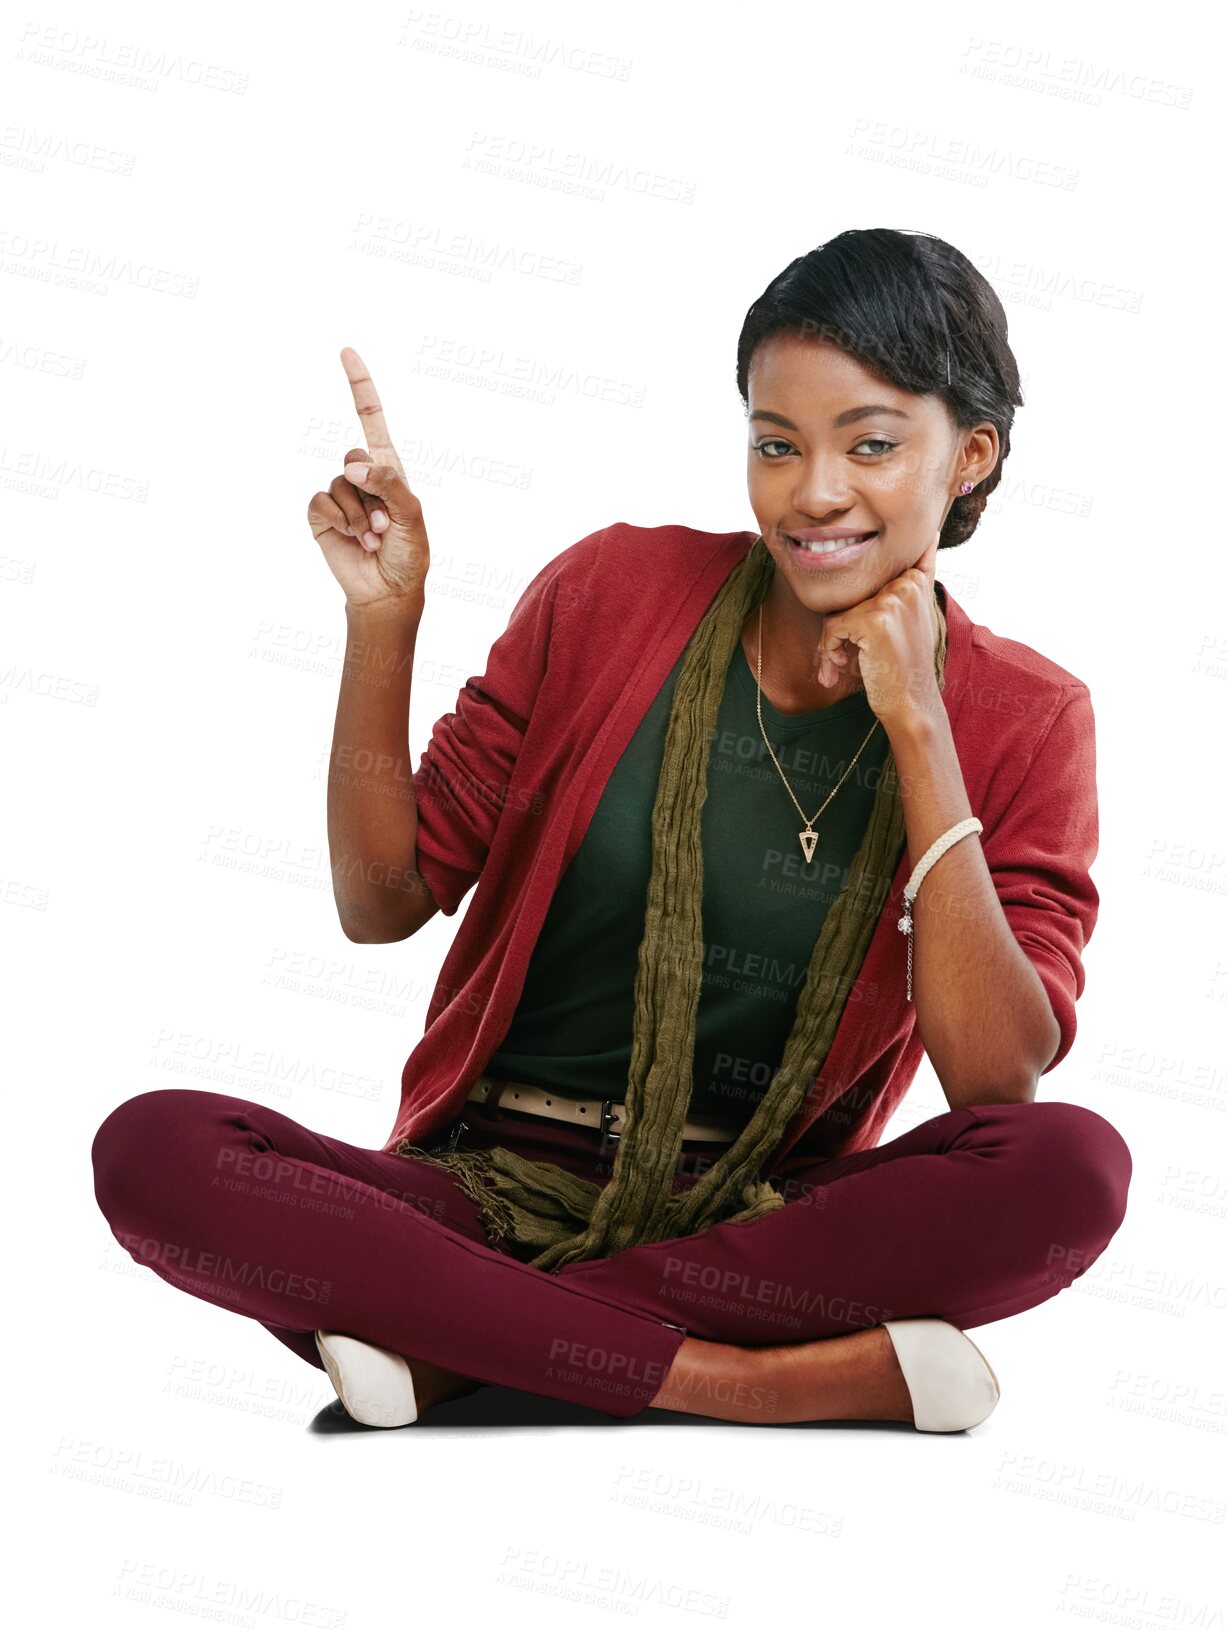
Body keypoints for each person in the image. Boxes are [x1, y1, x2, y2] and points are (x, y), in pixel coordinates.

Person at [91, 227, 1131, 1433]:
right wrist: (385, 619)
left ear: (971, 457)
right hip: (479, 1187)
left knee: (1072, 1170)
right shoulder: (613, 591)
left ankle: (456, 1341)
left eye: (875, 444)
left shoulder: (1031, 716)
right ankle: (762, 1383)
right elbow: (380, 900)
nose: (816, 493)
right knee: (157, 1148)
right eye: (776, 444)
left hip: (761, 1223)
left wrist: (921, 731)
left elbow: (995, 1077)